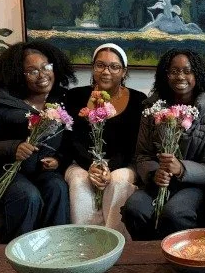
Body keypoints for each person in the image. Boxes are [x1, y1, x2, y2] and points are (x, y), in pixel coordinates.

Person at [0, 40, 75, 242]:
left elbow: (70, 143)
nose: (42, 75)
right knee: (28, 195)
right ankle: (19, 253)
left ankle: (57, 248)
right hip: (1, 172)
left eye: (46, 67)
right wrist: (13, 148)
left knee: (57, 187)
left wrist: (58, 160)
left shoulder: (60, 101)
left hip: (38, 172)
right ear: (18, 75)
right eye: (32, 71)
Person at [121, 49, 205, 239]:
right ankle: (148, 252)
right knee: (134, 209)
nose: (180, 76)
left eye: (187, 71)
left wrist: (181, 169)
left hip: (193, 186)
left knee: (174, 214)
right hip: (157, 181)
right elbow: (142, 155)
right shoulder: (152, 110)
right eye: (174, 71)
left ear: (197, 75)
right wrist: (154, 173)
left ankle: (179, 253)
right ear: (166, 75)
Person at [63, 43, 146, 239]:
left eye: (114, 67)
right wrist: (91, 166)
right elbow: (72, 139)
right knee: (79, 181)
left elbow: (133, 144)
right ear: (93, 68)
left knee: (118, 181)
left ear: (124, 71)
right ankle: (84, 244)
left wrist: (109, 167)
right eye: (100, 65)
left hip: (124, 163)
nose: (106, 72)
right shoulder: (75, 96)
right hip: (81, 162)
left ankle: (115, 243)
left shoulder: (138, 100)